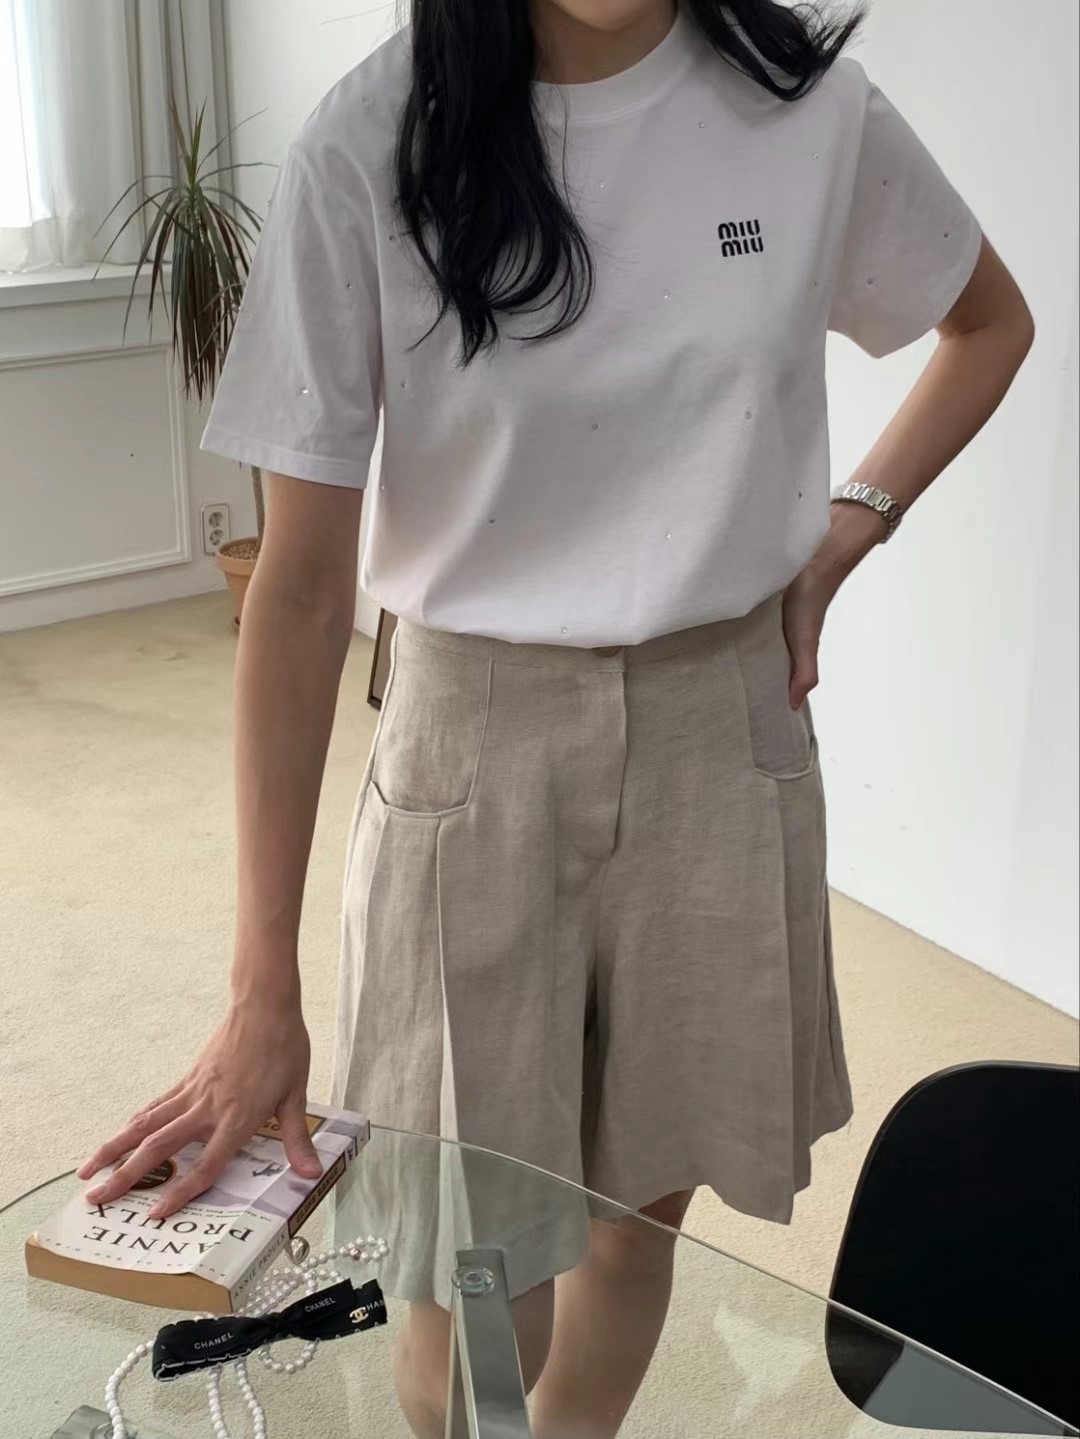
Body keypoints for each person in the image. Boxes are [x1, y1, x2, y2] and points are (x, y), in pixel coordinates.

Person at [78, 1, 1034, 1434]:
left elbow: (987, 323)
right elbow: (301, 588)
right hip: (474, 744)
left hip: (722, 731)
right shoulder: (373, 137)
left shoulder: (810, 112)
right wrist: (259, 981)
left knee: (638, 1218)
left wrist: (847, 530)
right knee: (472, 1270)